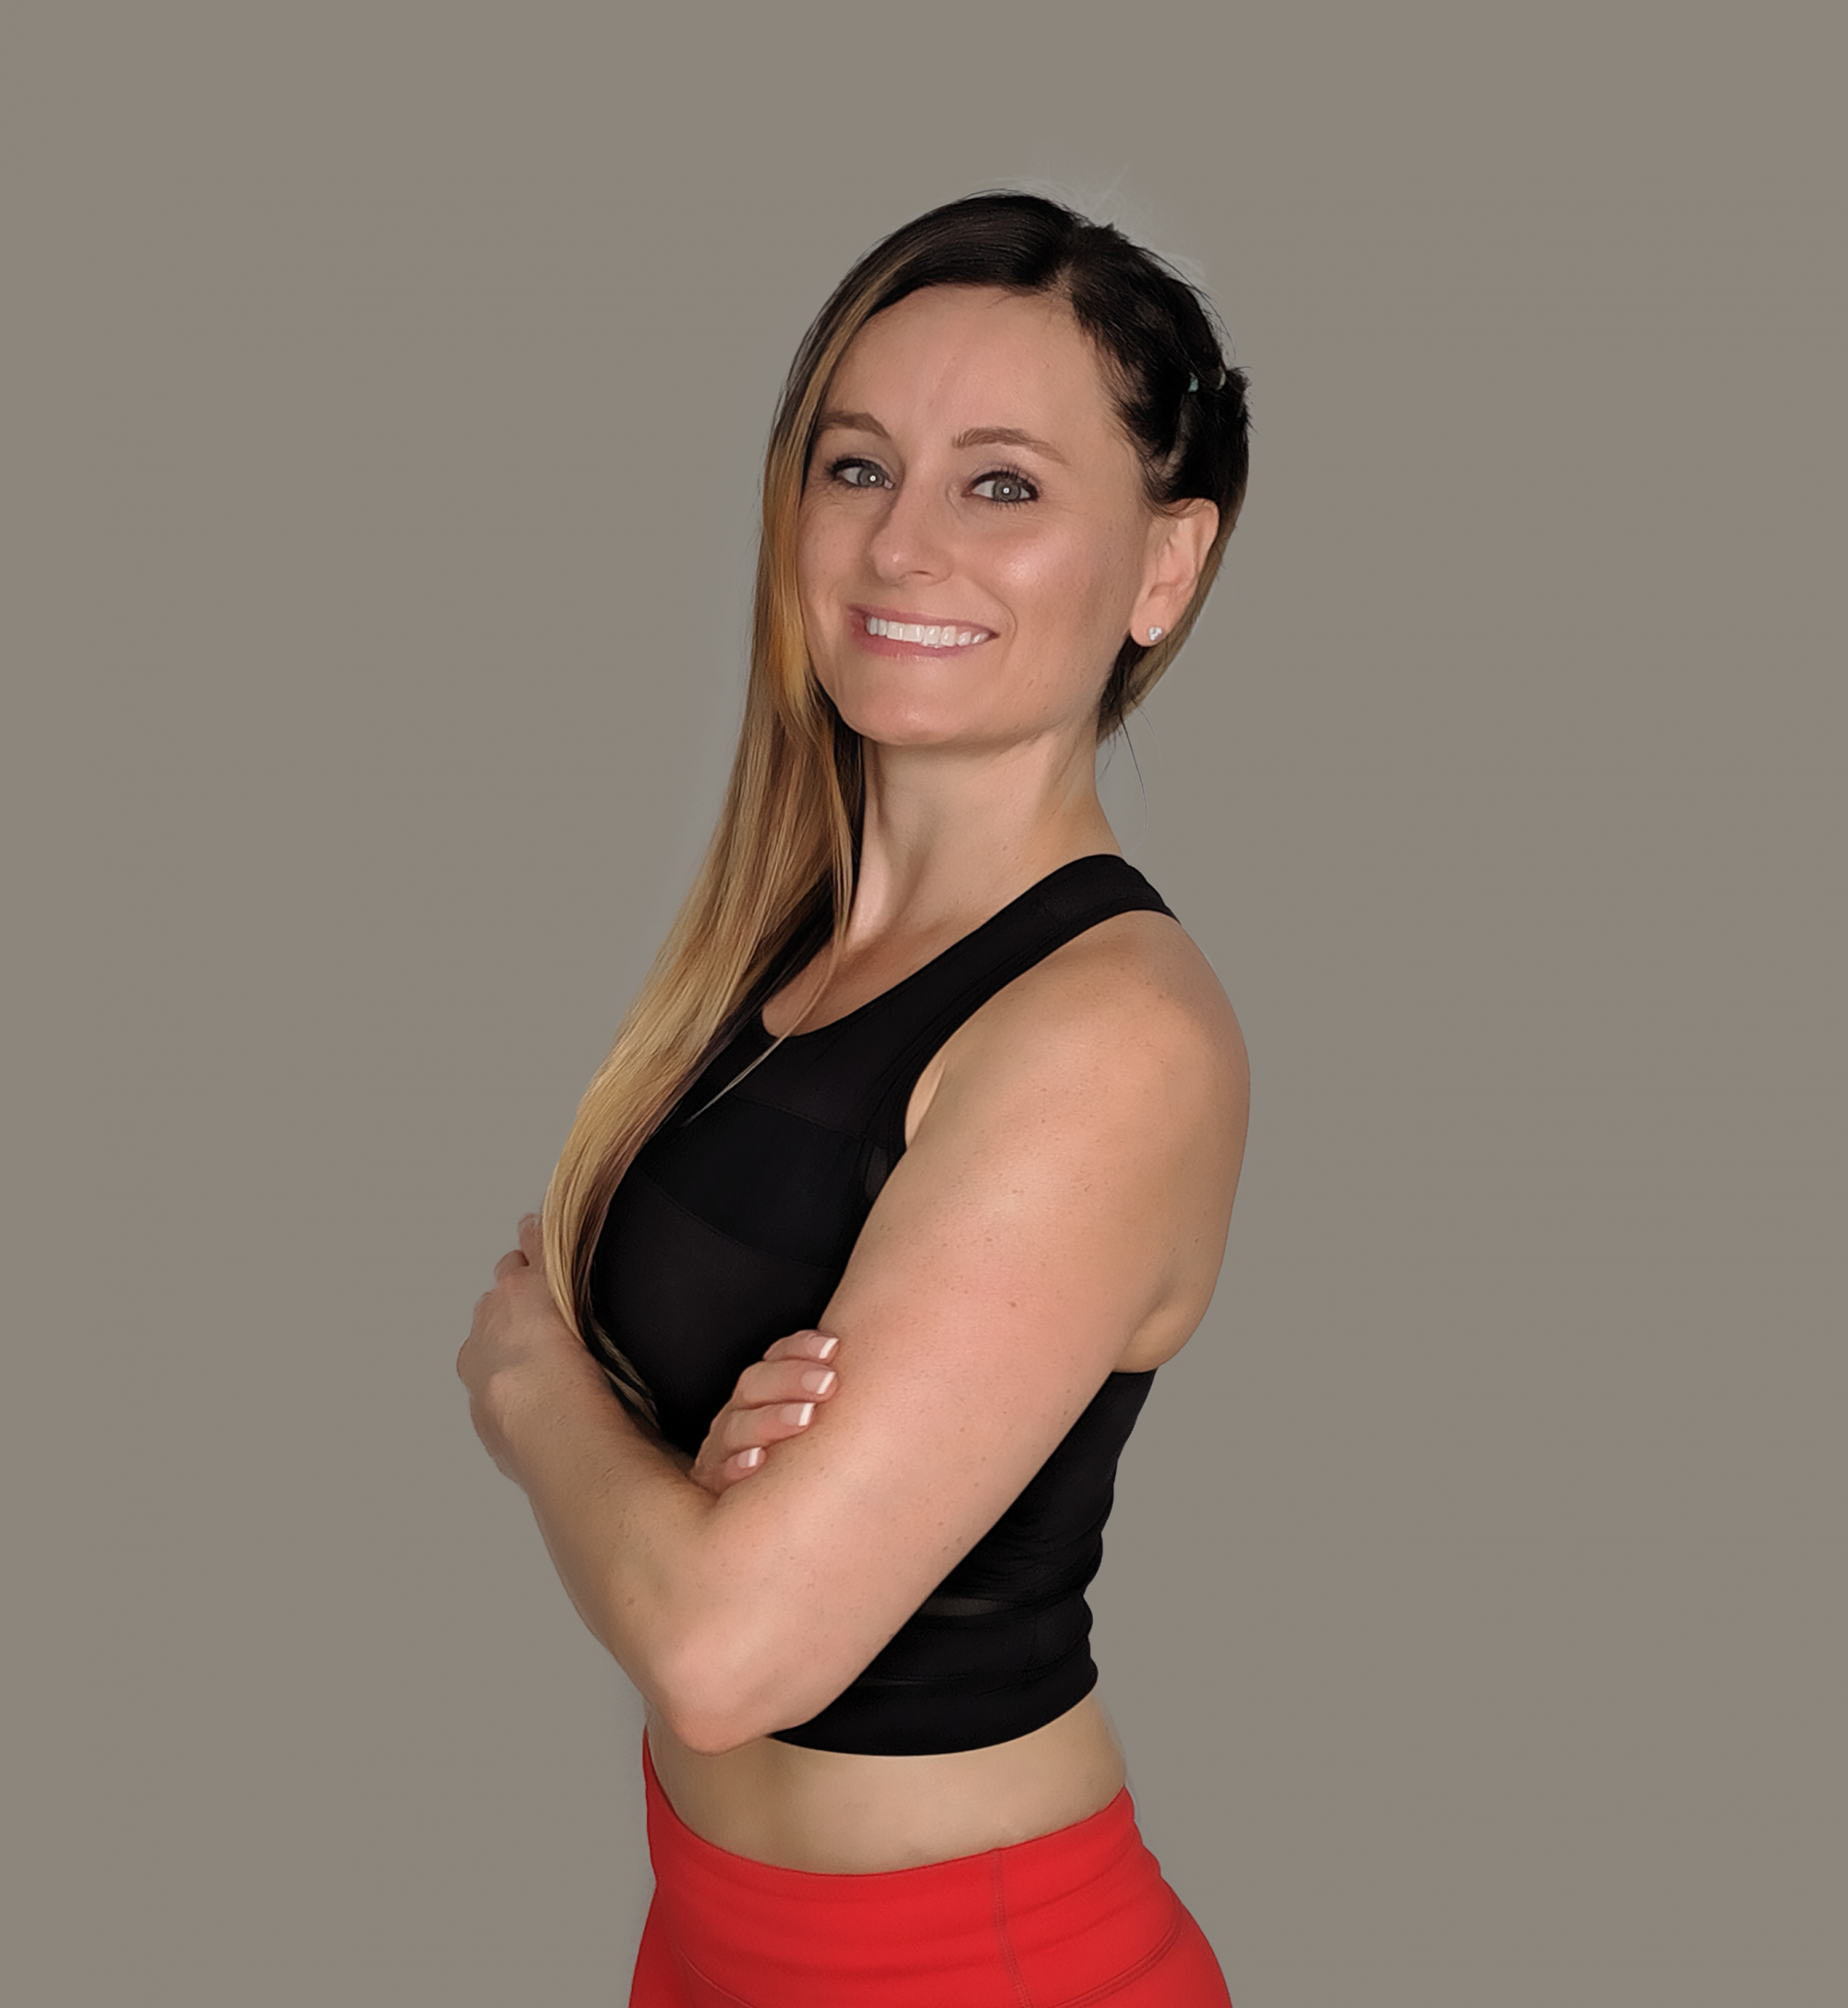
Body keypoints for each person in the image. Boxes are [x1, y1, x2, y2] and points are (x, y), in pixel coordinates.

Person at [458, 190, 1251, 2005]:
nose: (901, 546)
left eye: (1002, 485)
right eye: (856, 467)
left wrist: (537, 1395)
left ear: (1163, 564)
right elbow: (711, 1563)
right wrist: (685, 1484)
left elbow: (729, 1652)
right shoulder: (784, 957)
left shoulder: (1110, 1035)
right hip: (705, 1937)